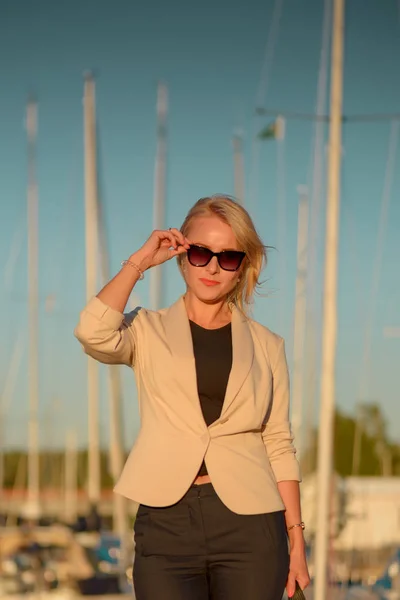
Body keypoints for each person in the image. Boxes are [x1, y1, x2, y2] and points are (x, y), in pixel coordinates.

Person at [74, 195, 310, 600]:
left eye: (229, 258)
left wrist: (297, 541)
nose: (213, 267)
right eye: (201, 253)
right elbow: (93, 333)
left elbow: (278, 444)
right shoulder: (146, 330)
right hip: (166, 521)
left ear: (244, 267)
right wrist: (139, 263)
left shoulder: (268, 345)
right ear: (182, 256)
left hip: (251, 524)